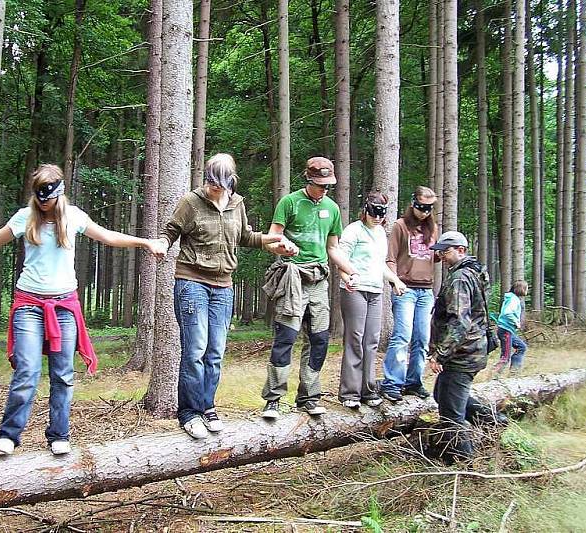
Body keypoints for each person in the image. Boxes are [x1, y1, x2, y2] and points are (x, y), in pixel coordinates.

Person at [0, 164, 166, 456]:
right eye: (39, 199)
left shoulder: (73, 216)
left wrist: (145, 242)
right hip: (29, 305)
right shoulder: (25, 218)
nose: (43, 205)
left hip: (64, 305)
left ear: (58, 195)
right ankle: (9, 435)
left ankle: (59, 435)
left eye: (47, 199)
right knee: (27, 370)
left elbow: (109, 237)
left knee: (62, 373)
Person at [160, 154, 296, 439]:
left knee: (215, 353)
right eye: (209, 180)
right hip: (191, 282)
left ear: (230, 181)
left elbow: (245, 237)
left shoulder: (237, 204)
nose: (213, 187)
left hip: (223, 286)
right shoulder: (190, 202)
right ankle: (189, 413)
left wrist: (273, 243)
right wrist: (161, 243)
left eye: (218, 183)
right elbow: (170, 231)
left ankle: (207, 407)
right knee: (195, 350)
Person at [260, 157, 359, 419]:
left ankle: (308, 398)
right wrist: (281, 247)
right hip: (292, 278)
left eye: (328, 185)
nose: (324, 189)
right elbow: (271, 238)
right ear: (308, 180)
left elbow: (333, 248)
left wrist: (349, 272)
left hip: (319, 281)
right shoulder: (290, 202)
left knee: (319, 340)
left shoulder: (332, 208)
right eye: (320, 185)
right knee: (286, 338)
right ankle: (273, 400)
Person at [427, 231, 494, 462]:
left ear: (460, 250)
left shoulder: (460, 278)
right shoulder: (473, 272)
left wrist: (440, 355)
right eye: (440, 252)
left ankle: (463, 462)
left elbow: (460, 321)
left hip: (462, 354)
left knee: (450, 413)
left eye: (445, 252)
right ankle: (494, 421)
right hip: (470, 351)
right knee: (441, 394)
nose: (442, 257)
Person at [338, 191, 407, 409]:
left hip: (375, 291)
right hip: (355, 290)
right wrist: (347, 278)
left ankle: (368, 390)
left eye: (381, 214)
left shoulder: (380, 234)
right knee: (355, 338)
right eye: (373, 213)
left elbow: (380, 265)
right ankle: (350, 392)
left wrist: (395, 280)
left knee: (371, 340)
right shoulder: (353, 230)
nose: (377, 217)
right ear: (366, 210)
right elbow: (341, 258)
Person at [380, 186, 439, 402]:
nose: (424, 212)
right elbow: (390, 257)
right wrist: (395, 281)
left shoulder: (433, 229)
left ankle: (414, 382)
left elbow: (434, 257)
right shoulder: (400, 226)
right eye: (422, 207)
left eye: (429, 208)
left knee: (422, 338)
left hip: (426, 289)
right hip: (405, 287)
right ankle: (392, 383)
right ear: (413, 203)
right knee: (402, 336)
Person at [494, 280, 529, 375]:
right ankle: (493, 376)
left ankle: (514, 372)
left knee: (521, 347)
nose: (527, 290)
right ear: (521, 289)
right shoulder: (514, 300)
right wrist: (516, 322)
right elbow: (507, 312)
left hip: (508, 330)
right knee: (505, 357)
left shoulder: (513, 298)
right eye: (526, 288)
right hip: (506, 330)